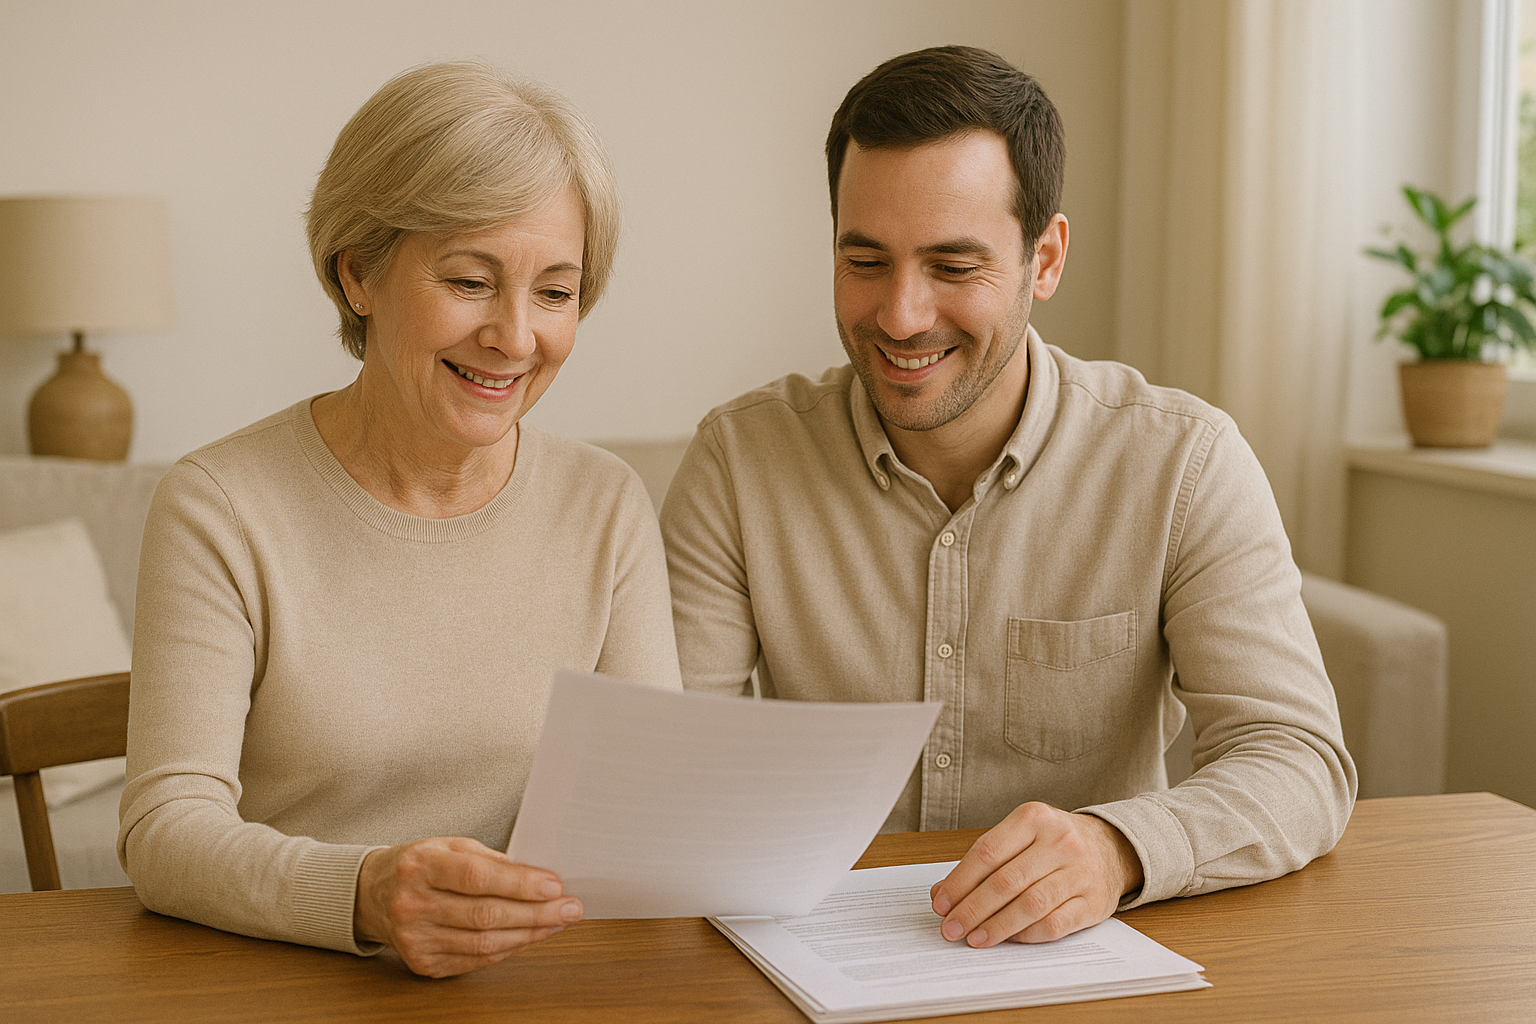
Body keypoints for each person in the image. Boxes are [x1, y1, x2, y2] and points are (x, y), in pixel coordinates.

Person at [660, 45, 1355, 950]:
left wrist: (1117, 849)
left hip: (1081, 962)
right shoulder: (738, 462)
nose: (902, 315)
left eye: (953, 267)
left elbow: (1298, 760)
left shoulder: (1184, 462)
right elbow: (668, 771)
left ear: (1045, 258)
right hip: (822, 960)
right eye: (865, 260)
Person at [120, 61, 681, 978]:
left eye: (554, 292)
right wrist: (366, 894)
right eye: (469, 281)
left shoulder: (604, 502)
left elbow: (652, 802)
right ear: (359, 275)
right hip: (290, 980)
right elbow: (165, 830)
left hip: (534, 983)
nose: (515, 337)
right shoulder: (220, 504)